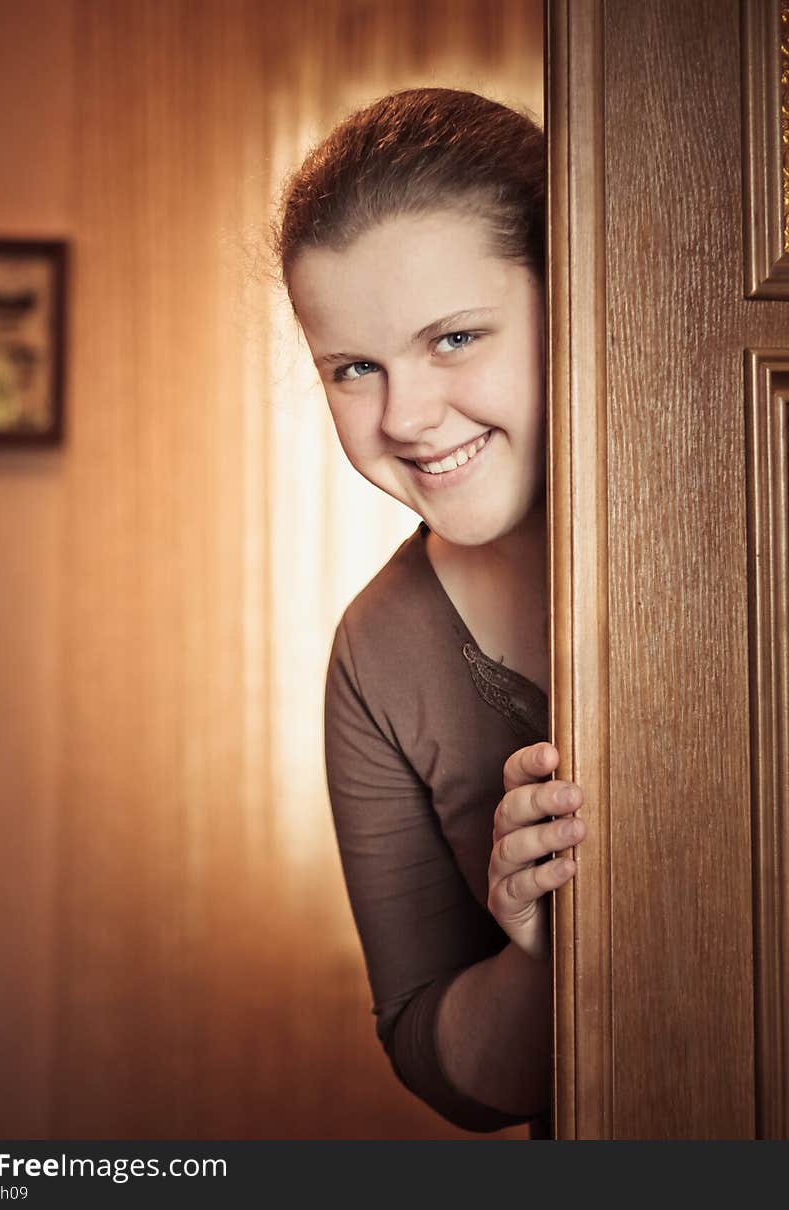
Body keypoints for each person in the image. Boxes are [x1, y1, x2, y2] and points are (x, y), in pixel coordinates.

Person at [274, 87, 587, 1136]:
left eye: (453, 338)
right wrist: (543, 950)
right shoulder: (375, 654)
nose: (404, 417)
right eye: (354, 368)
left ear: (574, 295)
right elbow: (436, 1063)